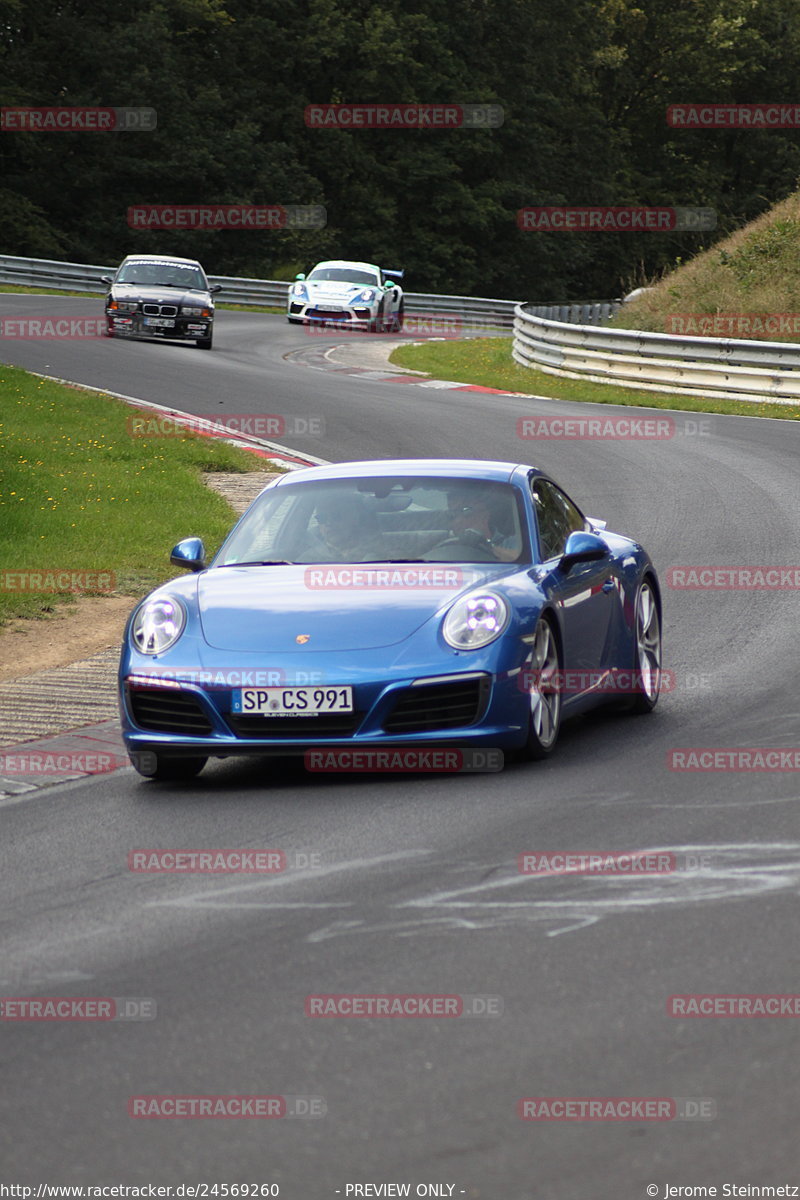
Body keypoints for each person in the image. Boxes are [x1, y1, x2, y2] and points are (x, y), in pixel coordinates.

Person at [437, 487, 523, 562]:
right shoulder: (444, 545)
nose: (458, 520)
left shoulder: (514, 543)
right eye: (452, 515)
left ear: (485, 514)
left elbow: (522, 562)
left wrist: (487, 547)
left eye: (466, 511)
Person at [312, 493, 388, 561]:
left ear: (355, 518)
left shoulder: (385, 553)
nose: (328, 523)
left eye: (336, 516)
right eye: (322, 518)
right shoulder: (309, 558)